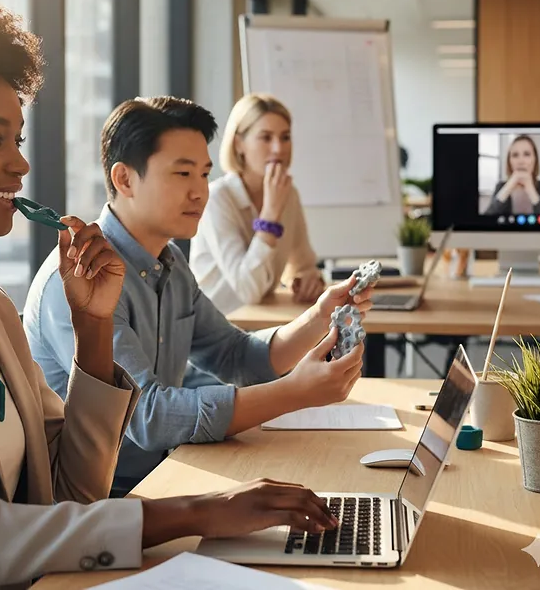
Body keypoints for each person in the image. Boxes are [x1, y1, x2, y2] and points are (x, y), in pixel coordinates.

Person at [0, 0, 337, 590]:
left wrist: (94, 329)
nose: (20, 165)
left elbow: (70, 491)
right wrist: (197, 511)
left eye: (17, 141)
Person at [25, 96, 372, 498]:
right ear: (124, 180)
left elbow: (235, 355)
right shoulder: (80, 277)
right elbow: (147, 418)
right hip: (95, 505)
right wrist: (294, 392)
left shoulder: (169, 263)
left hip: (159, 477)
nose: (199, 192)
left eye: (204, 174)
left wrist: (317, 315)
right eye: (182, 173)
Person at [189, 93, 325, 315]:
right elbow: (248, 291)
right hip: (217, 331)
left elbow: (302, 266)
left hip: (261, 323)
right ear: (239, 143)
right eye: (266, 137)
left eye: (285, 137)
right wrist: (270, 215)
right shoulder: (217, 198)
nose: (278, 149)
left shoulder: (288, 194)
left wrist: (309, 280)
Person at [484, 135, 540, 216]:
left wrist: (531, 191)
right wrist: (508, 187)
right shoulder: (501, 186)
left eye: (527, 154)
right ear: (509, 162)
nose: (521, 161)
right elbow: (484, 221)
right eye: (515, 155)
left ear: (535, 159)